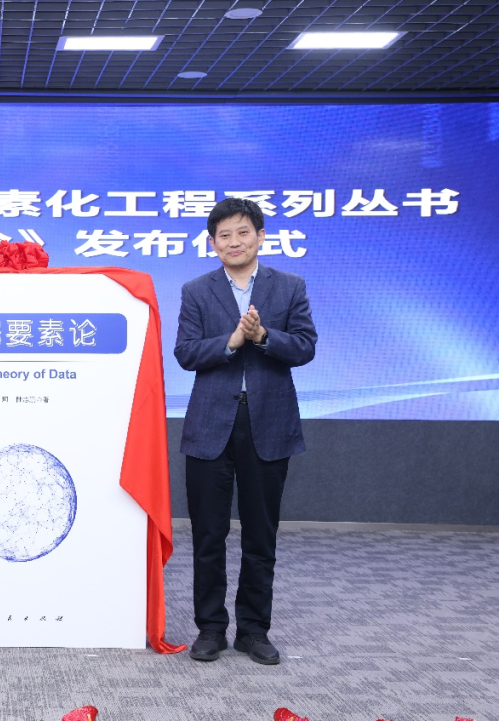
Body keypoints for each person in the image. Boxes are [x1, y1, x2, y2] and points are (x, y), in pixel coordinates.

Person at [174, 197, 317, 665]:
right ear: (212, 243)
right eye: (224, 235)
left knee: (261, 536)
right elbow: (186, 353)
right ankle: (211, 629)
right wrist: (233, 341)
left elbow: (305, 347)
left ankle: (254, 631)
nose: (234, 242)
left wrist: (263, 337)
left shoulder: (289, 286)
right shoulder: (197, 290)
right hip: (210, 425)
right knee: (208, 535)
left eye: (242, 232)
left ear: (260, 236)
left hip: (268, 423)